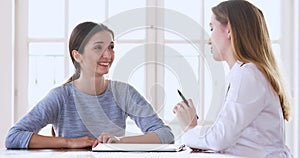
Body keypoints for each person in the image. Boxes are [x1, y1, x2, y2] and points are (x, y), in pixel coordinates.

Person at [5, 21, 174, 149]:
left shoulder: (123, 93)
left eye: (111, 47)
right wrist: (70, 142)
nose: (108, 55)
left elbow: (165, 135)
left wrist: (119, 142)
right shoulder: (61, 96)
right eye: (98, 48)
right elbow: (13, 137)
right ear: (77, 55)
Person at [173, 0, 293, 157]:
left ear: (229, 30)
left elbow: (219, 139)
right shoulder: (246, 73)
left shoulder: (247, 75)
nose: (209, 40)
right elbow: (228, 138)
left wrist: (190, 128)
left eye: (212, 28)